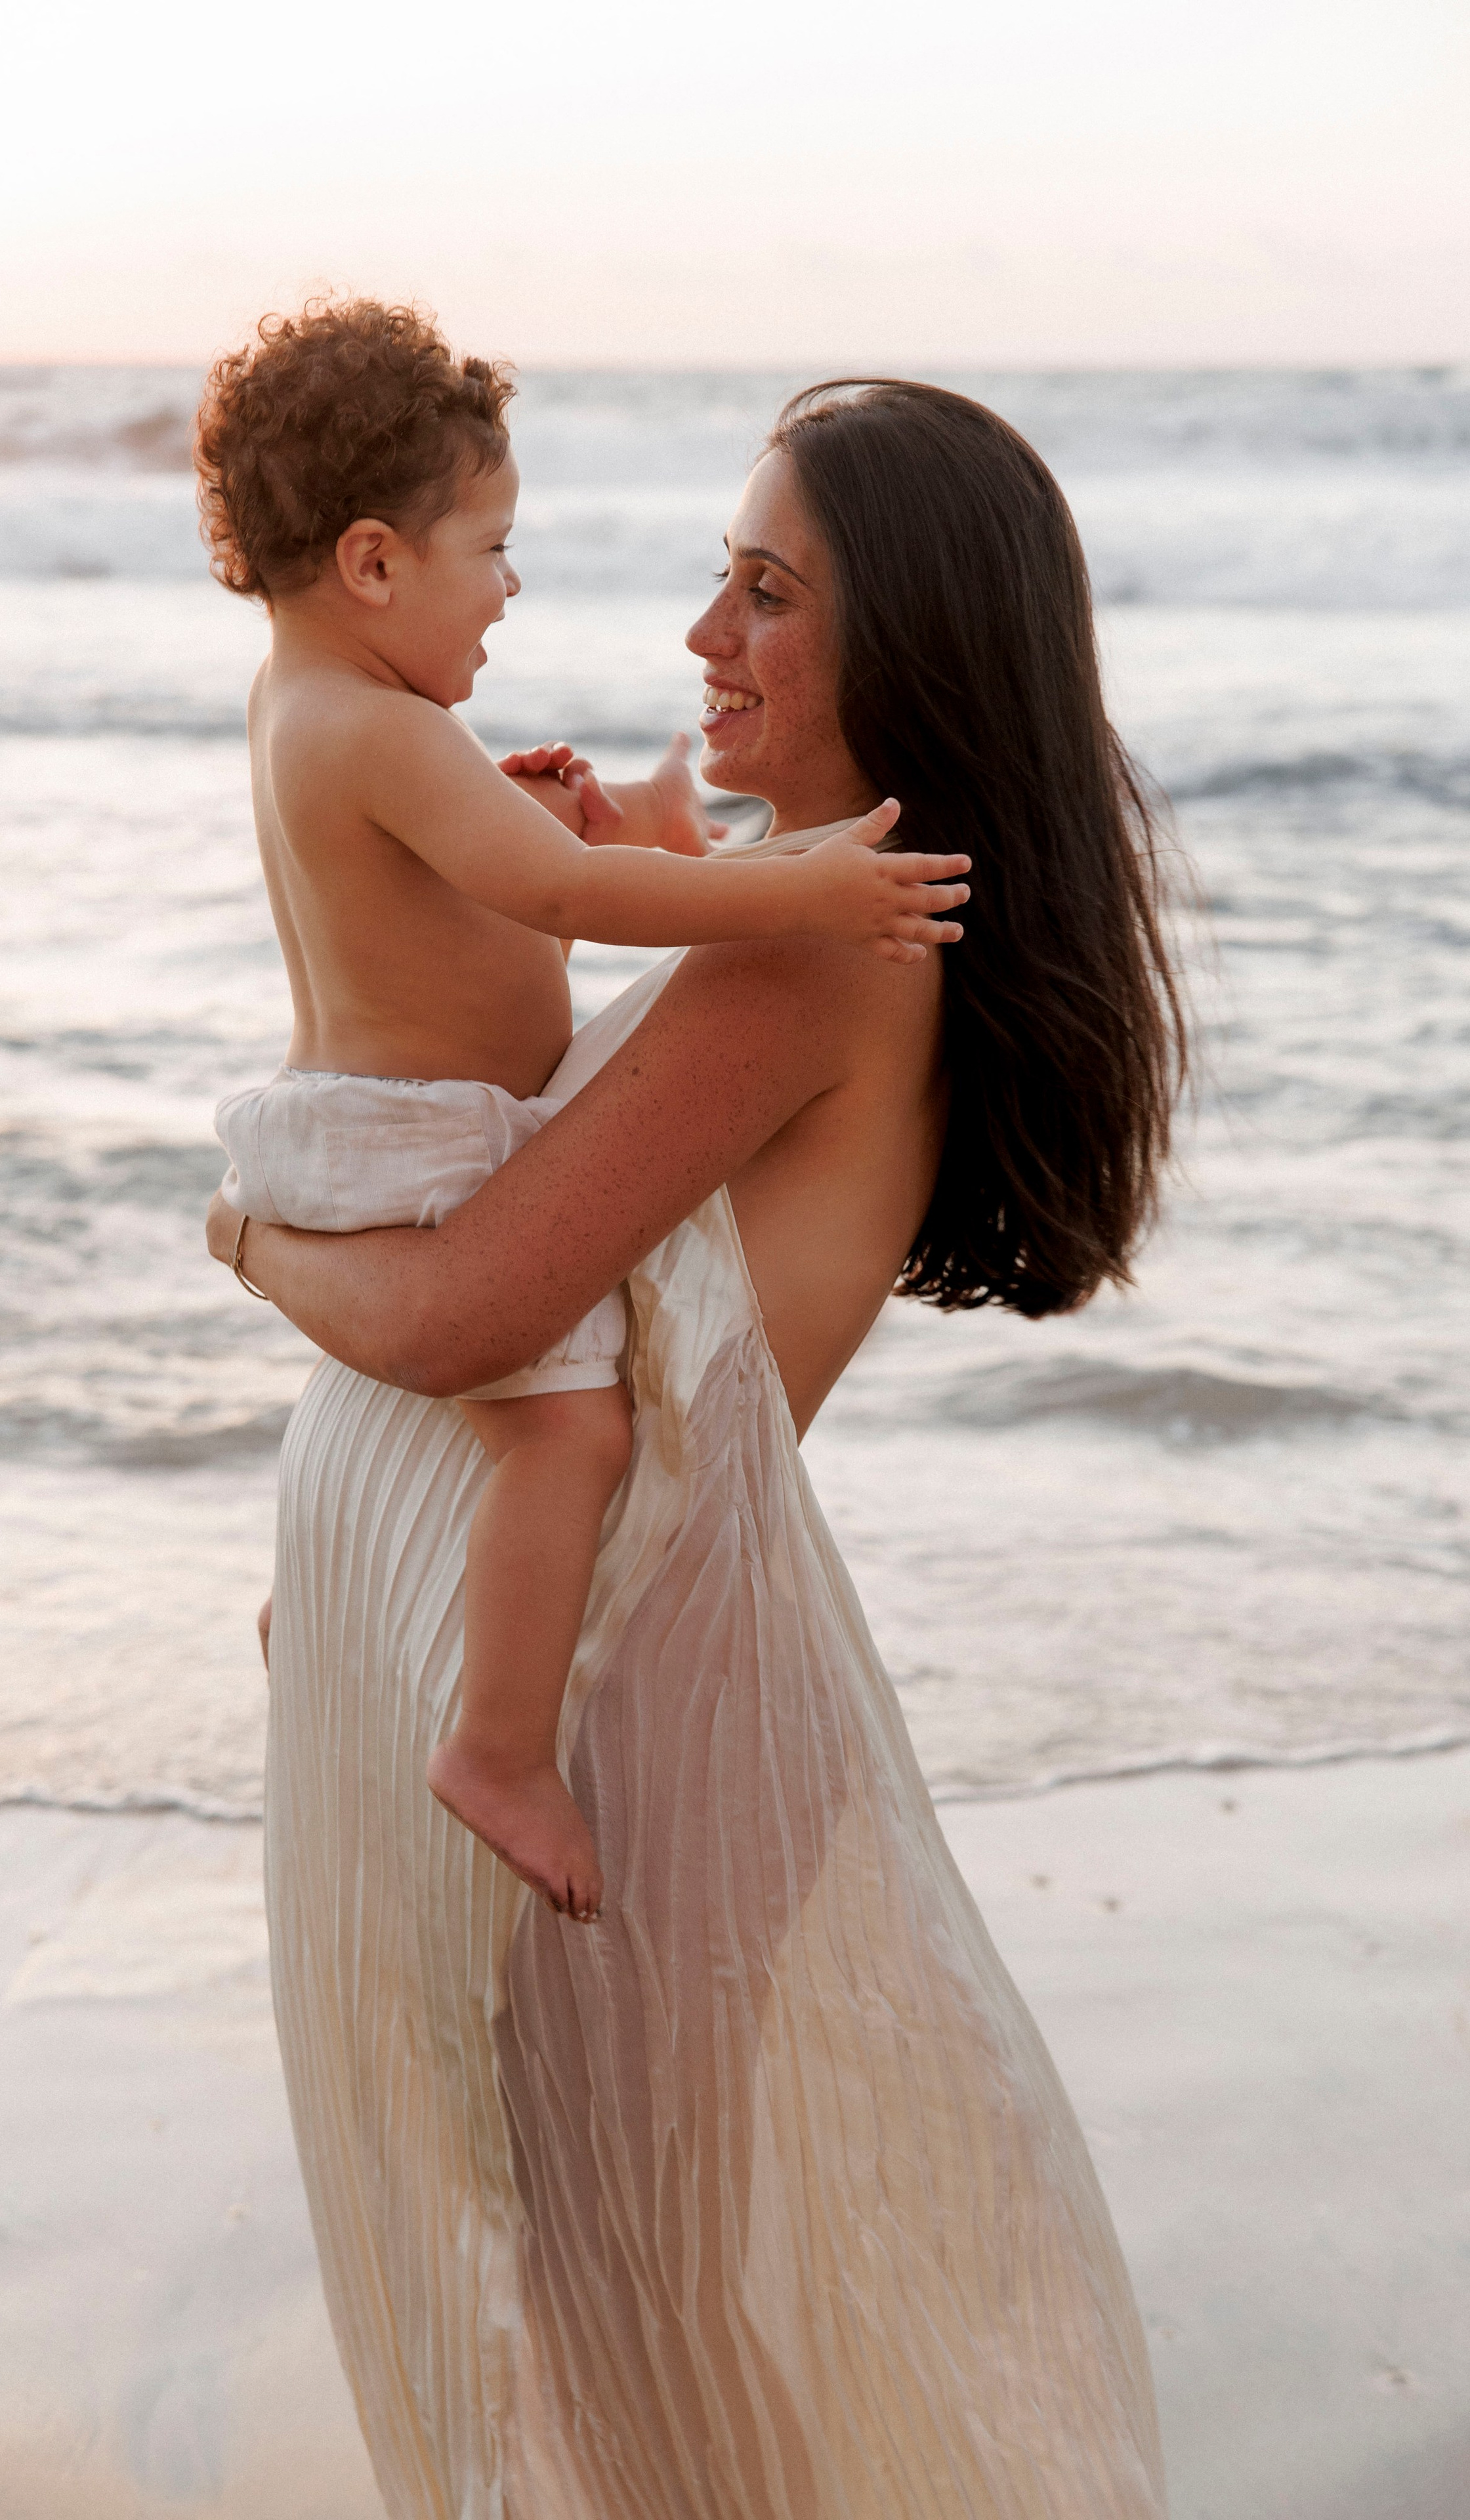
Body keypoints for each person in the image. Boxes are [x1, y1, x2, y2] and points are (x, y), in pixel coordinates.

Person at [209, 377, 1184, 2516]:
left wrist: (255, 1233)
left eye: (766, 595)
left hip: (625, 1739)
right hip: (617, 1711)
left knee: (629, 2332)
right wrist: (607, 879)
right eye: (718, 579)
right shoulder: (788, 914)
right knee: (612, 2313)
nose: (699, 640)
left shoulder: (817, 961)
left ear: (911, 637)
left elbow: (470, 1307)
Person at [200, 300, 970, 1922]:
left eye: (760, 592)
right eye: (491, 546)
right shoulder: (394, 733)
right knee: (563, 1424)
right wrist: (781, 884)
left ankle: (313, 1619)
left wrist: (606, 849)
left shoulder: (318, 713)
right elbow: (557, 904)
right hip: (401, 1148)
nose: (515, 581)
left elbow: (499, 930)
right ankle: (495, 1747)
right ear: (371, 563)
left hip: (364, 1132)